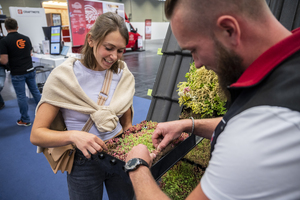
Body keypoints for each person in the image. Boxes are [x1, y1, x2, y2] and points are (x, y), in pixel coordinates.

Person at [125, 0, 300, 199]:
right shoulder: (286, 73)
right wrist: (188, 124)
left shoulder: (265, 126)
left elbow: (252, 127)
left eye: (194, 50)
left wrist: (137, 167)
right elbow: (238, 123)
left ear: (229, 30)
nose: (197, 64)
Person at [30, 12, 135, 200]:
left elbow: (125, 109)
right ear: (91, 40)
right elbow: (37, 134)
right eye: (109, 48)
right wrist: (74, 136)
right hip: (83, 162)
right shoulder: (64, 76)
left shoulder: (122, 73)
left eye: (120, 50)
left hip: (119, 154)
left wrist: (129, 140)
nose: (114, 57)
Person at [0, 18, 41, 125]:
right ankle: (43, 116)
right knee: (36, 92)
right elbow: (30, 52)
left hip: (18, 73)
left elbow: (4, 60)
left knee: (21, 96)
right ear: (17, 27)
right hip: (30, 70)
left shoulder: (4, 41)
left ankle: (25, 120)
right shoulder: (26, 38)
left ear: (5, 28)